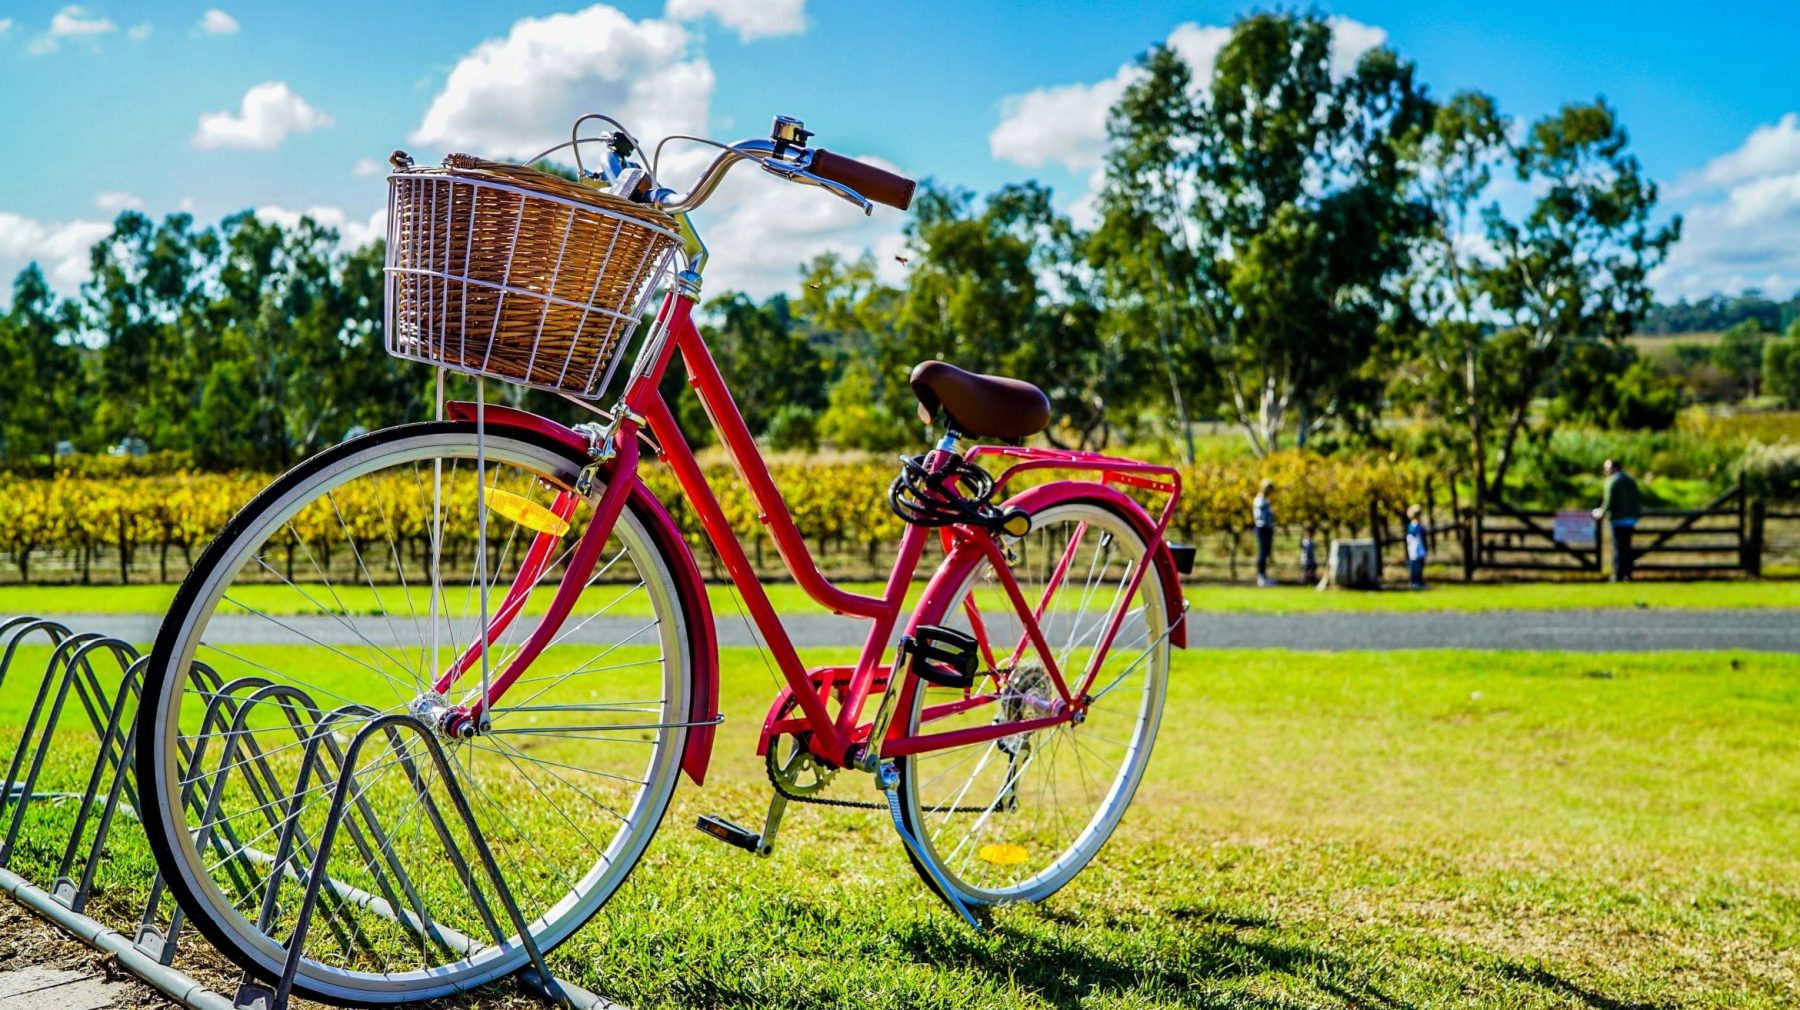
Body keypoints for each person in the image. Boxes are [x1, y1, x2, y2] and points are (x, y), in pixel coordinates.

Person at [1592, 459, 1642, 581]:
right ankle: (1628, 574)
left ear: (1614, 468)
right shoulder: (1630, 480)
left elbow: (1609, 501)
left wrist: (1602, 512)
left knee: (1618, 548)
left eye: (1607, 468)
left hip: (1618, 519)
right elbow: (1638, 497)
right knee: (1627, 547)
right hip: (1631, 519)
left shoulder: (1612, 481)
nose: (1605, 471)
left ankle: (1618, 574)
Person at [1253, 480, 1276, 587]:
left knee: (1266, 552)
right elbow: (1263, 516)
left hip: (1267, 528)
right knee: (1262, 552)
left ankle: (1263, 576)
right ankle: (1261, 577)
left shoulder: (1264, 500)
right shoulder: (1260, 500)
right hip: (1263, 528)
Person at [1404, 504, 1428, 589]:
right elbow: (1413, 536)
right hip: (1414, 549)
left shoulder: (1419, 526)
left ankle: (1419, 582)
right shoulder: (1413, 526)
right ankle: (1415, 583)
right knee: (1415, 568)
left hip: (1420, 550)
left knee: (1420, 567)